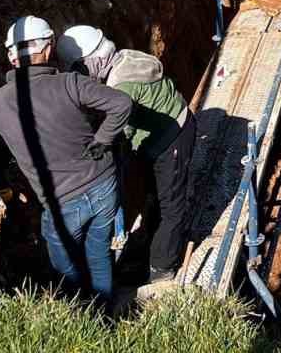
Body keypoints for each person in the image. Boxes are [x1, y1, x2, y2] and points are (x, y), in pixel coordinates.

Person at [0, 16, 132, 303]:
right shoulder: (70, 83)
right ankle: (104, 311)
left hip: (63, 202)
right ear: (49, 49)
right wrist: (102, 141)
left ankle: (83, 316)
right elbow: (121, 104)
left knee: (66, 269)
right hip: (104, 184)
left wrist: (5, 158)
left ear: (11, 57)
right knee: (98, 251)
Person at [57, 24, 195, 284]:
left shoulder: (122, 87)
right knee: (155, 198)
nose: (79, 75)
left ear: (93, 61)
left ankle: (162, 269)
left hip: (172, 138)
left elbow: (121, 130)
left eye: (80, 68)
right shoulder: (123, 59)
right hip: (157, 138)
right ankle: (149, 252)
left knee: (172, 206)